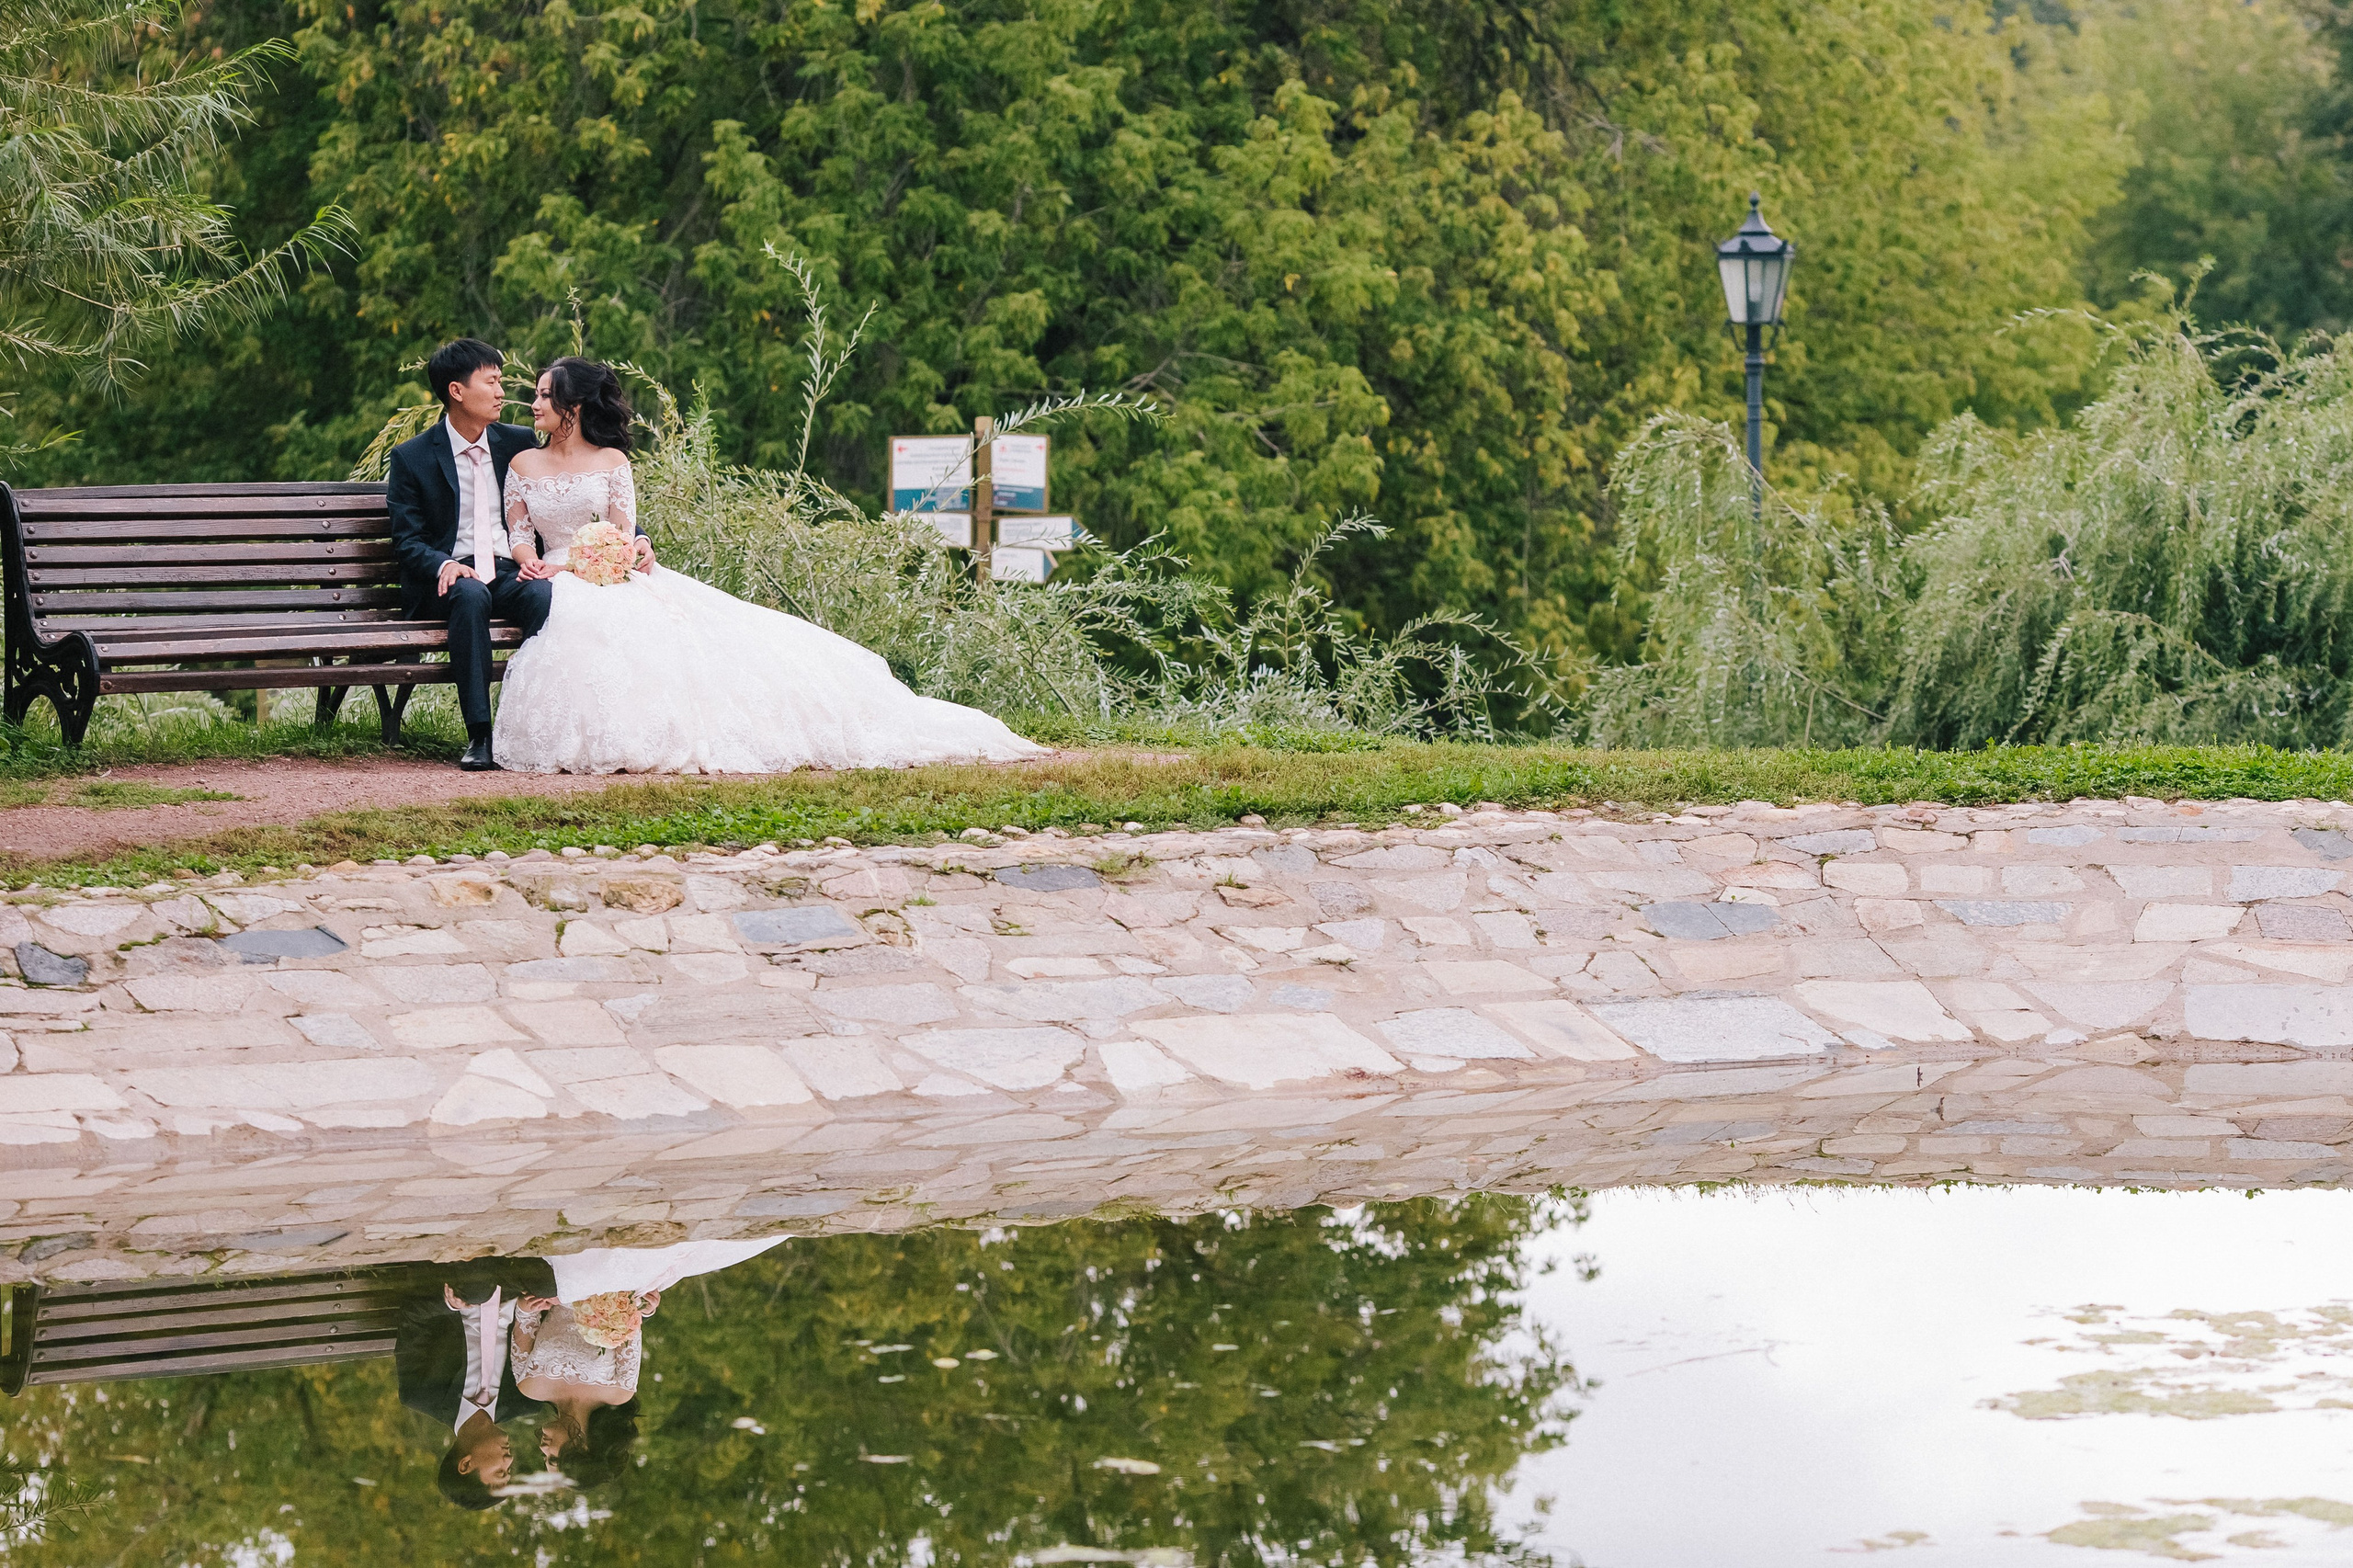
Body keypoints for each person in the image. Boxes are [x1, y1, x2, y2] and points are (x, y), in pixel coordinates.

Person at [490, 356, 1047, 774]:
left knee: (676, 637)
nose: (532, 404)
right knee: (583, 630)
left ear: (575, 407)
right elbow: (517, 531)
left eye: (543, 396)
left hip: (605, 572)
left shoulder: (612, 460)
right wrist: (531, 562)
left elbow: (618, 531)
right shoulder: (521, 461)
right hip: (552, 573)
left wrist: (626, 550)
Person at [383, 339, 649, 773]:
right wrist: (445, 564)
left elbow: (584, 495)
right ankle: (480, 734)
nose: (504, 392)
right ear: (457, 391)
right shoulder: (412, 457)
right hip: (450, 579)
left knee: (548, 598)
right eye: (492, 382)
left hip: (512, 570)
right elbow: (408, 540)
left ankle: (536, 726)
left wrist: (638, 538)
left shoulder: (519, 444)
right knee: (470, 597)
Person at [392, 1258, 558, 1509]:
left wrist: (450, 1304)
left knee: (479, 1290)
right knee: (551, 1286)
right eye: (510, 1469)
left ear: (466, 1464)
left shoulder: (421, 1393)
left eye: (501, 1471)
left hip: (459, 1287)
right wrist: (538, 1306)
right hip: (517, 1289)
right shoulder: (526, 1400)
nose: (509, 1460)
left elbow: (412, 1318)